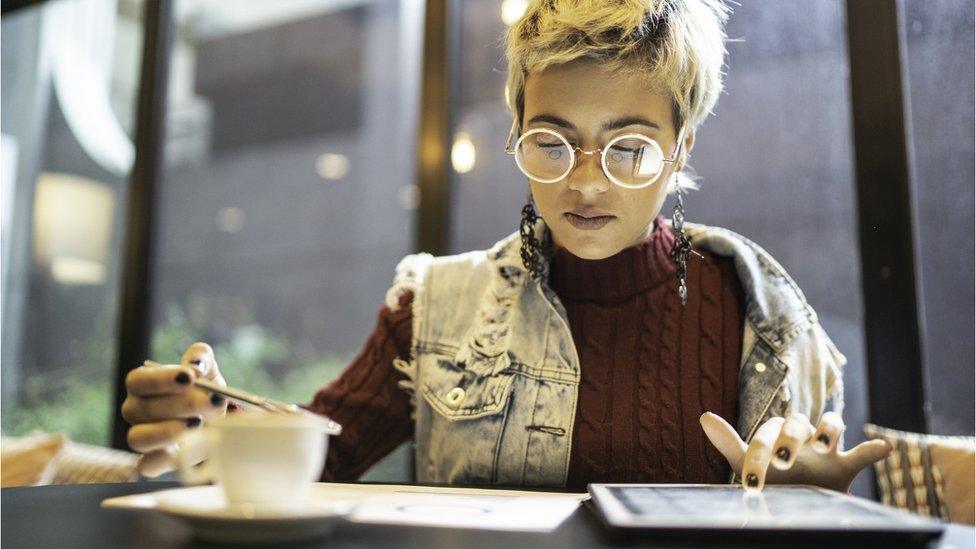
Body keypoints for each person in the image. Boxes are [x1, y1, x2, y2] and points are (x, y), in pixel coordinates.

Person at [121, 0, 891, 493]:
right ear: (517, 131)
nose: (586, 184)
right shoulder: (433, 307)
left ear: (682, 148)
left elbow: (809, 478)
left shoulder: (765, 316)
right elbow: (325, 452)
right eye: (552, 143)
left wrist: (810, 491)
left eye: (628, 148)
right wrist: (217, 419)